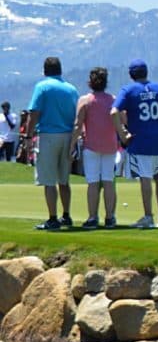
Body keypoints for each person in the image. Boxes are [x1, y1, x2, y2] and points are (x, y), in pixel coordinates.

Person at [111, 60, 158, 229]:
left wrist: (122, 134)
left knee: (145, 178)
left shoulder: (128, 90)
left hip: (140, 142)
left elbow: (114, 112)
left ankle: (148, 216)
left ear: (131, 74)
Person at [26, 56, 79, 230]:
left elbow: (34, 113)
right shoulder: (71, 89)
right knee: (64, 180)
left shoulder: (42, 86)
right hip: (68, 136)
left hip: (48, 135)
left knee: (49, 181)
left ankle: (53, 218)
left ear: (45, 70)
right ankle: (66, 215)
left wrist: (28, 135)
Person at [71, 67, 119, 229]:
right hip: (110, 145)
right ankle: (110, 217)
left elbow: (78, 125)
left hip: (91, 146)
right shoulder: (114, 100)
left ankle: (92, 217)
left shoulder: (85, 100)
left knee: (93, 182)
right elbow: (122, 119)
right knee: (108, 181)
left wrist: (71, 145)